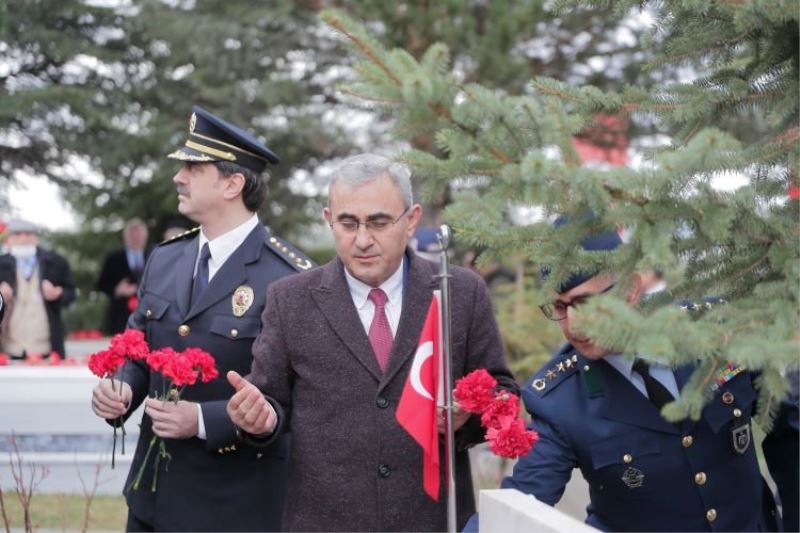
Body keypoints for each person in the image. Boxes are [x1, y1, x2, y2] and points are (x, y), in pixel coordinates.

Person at [226, 153, 517, 532]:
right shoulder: (290, 299)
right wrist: (259, 420)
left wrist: (467, 416)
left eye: (379, 222)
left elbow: (502, 392)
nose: (362, 240)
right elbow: (271, 403)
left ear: (411, 220)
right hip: (325, 522)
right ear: (329, 219)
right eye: (348, 223)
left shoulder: (459, 292)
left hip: (431, 519)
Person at [479, 223, 799, 531]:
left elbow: (788, 427)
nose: (573, 323)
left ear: (630, 288)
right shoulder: (559, 400)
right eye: (560, 307)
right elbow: (519, 502)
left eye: (585, 302)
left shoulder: (717, 331)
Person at [90, 106, 313, 532]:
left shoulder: (289, 277)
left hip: (235, 505)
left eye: (194, 167)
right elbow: (140, 348)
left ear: (233, 183)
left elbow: (294, 400)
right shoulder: (166, 258)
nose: (179, 176)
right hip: (154, 499)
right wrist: (120, 387)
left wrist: (204, 420)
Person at [0, 219, 75, 359]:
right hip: (9, 347)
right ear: (9, 239)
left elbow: (71, 294)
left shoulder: (56, 262)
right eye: (17, 234)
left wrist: (58, 293)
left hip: (47, 347)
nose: (23, 239)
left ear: (36, 237)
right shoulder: (1, 263)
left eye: (28, 234)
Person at [96, 218, 151, 335]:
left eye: (139, 233)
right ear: (125, 236)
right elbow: (101, 284)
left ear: (145, 235)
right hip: (120, 317)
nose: (136, 237)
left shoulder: (154, 255)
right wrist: (117, 290)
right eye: (132, 234)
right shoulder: (113, 258)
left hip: (149, 315)